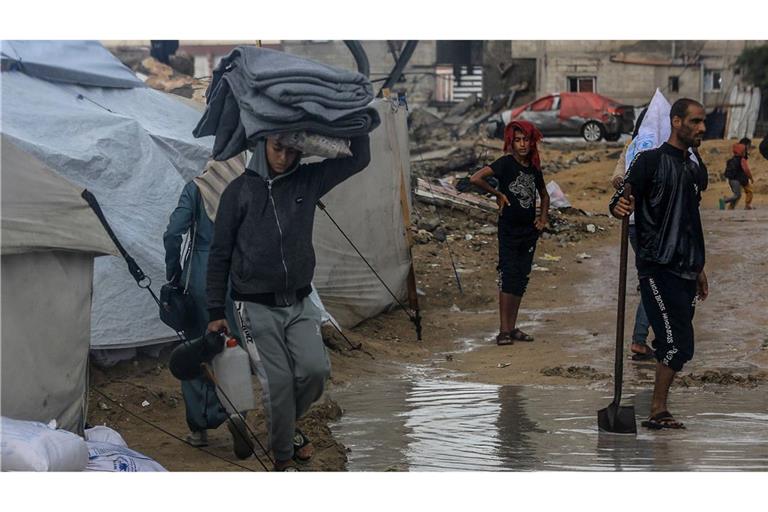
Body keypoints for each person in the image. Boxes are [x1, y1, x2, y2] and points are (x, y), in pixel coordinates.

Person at [206, 134, 371, 471]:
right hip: (253, 304)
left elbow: (358, 160)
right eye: (277, 148)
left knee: (315, 371)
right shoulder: (239, 192)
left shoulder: (308, 181)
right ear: (262, 144)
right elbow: (219, 253)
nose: (282, 157)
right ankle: (283, 459)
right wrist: (214, 310)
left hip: (299, 300)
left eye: (292, 150)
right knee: (278, 382)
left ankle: (285, 424)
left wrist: (357, 121)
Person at [610, 98, 709, 430]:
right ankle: (657, 410)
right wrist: (619, 205)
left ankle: (658, 408)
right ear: (676, 122)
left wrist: (699, 268)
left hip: (686, 266)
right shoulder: (649, 162)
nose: (702, 128)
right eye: (695, 121)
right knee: (676, 342)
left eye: (703, 122)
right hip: (656, 265)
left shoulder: (694, 169)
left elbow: (691, 220)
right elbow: (621, 196)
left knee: (678, 345)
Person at [163, 156, 252, 455]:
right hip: (238, 277)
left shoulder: (196, 188)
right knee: (233, 346)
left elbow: (173, 232)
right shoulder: (246, 186)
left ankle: (199, 428)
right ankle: (236, 413)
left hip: (200, 275)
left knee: (197, 348)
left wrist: (173, 272)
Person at [470, 120, 549, 346]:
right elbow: (476, 178)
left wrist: (542, 219)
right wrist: (498, 193)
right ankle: (503, 330)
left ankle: (512, 327)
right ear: (511, 143)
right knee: (508, 276)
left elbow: (544, 195)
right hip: (509, 230)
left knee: (520, 278)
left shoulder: (533, 166)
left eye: (526, 140)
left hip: (529, 231)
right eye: (517, 140)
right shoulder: (505, 164)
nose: (522, 144)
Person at [611, 108, 654, 361]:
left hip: (635, 224)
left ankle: (644, 338)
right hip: (649, 224)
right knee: (656, 282)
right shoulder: (658, 145)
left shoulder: (633, 145)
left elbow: (617, 175)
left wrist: (622, 182)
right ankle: (640, 339)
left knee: (650, 279)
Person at [723, 138, 754, 210]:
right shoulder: (742, 159)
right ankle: (725, 201)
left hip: (733, 179)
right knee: (745, 193)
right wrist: (751, 178)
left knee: (737, 195)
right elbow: (746, 170)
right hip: (741, 179)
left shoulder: (733, 159)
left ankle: (731, 207)